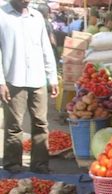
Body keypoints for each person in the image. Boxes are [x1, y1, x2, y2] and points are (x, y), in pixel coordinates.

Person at [0, 0, 59, 173]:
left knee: (41, 123)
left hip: (37, 78)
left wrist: (52, 77)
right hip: (13, 79)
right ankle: (12, 163)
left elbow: (46, 48)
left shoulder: (37, 17)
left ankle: (40, 164)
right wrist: (1, 81)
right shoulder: (2, 16)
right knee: (14, 125)